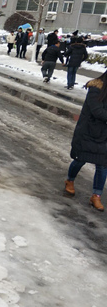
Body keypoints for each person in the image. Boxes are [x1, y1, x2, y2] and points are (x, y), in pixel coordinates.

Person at [66, 70, 107, 211]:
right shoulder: (96, 88)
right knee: (80, 159)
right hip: (88, 132)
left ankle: (96, 196)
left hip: (104, 134)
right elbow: (97, 111)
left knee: (102, 165)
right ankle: (69, 180)